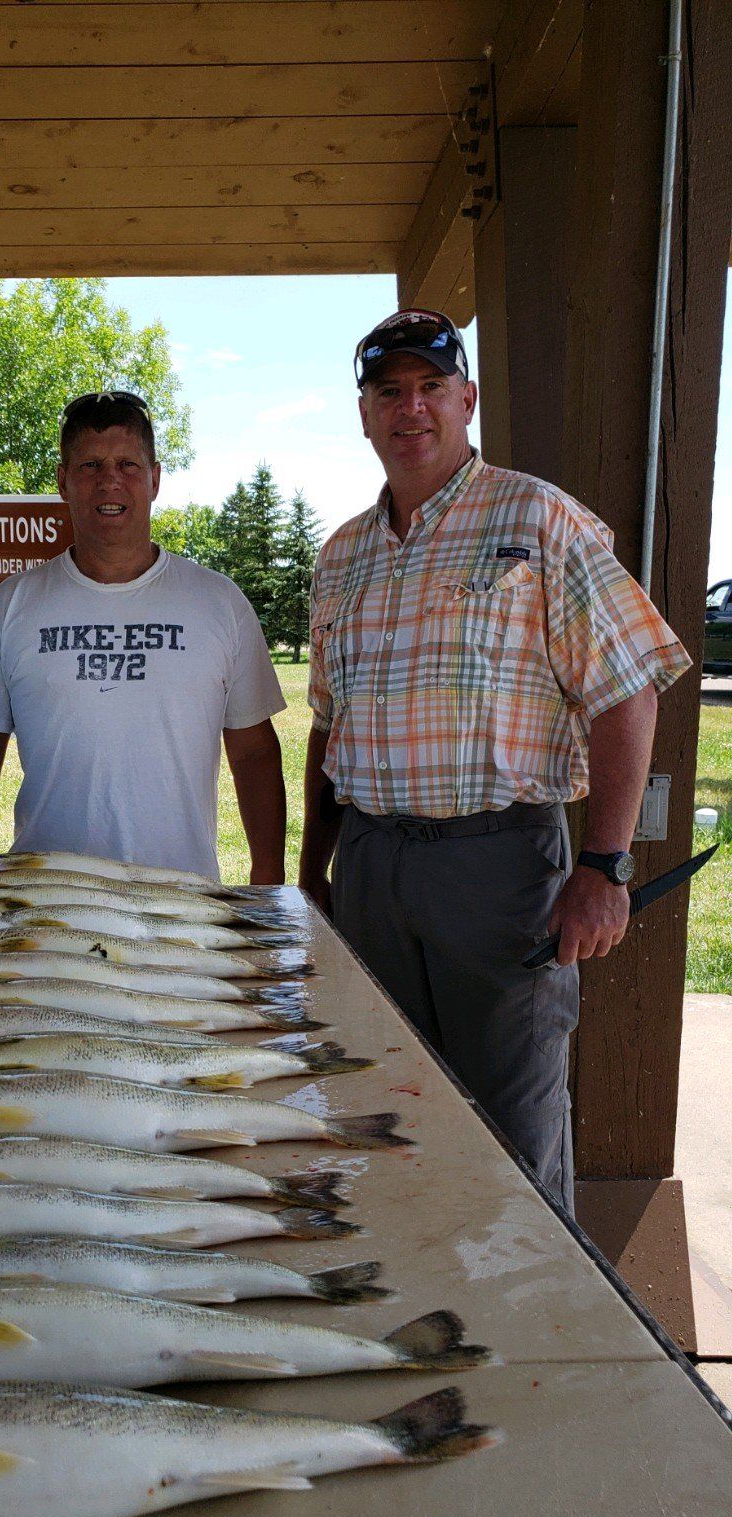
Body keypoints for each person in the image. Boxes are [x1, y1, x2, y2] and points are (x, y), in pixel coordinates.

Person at [298, 309, 690, 1210]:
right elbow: (329, 722)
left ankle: (542, 1338)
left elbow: (629, 685)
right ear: (363, 414)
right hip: (370, 868)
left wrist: (603, 864)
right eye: (389, 391)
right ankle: (426, 1325)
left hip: (503, 868)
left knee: (513, 1135)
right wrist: (316, 866)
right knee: (385, 1112)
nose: (411, 408)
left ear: (466, 400)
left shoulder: (536, 516)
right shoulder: (343, 554)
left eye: (431, 387)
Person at [0, 390, 287, 882]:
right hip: (51, 901)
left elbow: (254, 750)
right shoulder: (9, 607)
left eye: (128, 464)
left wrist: (268, 877)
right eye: (89, 465)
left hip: (183, 900)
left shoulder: (219, 603)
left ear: (154, 479)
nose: (110, 480)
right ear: (64, 481)